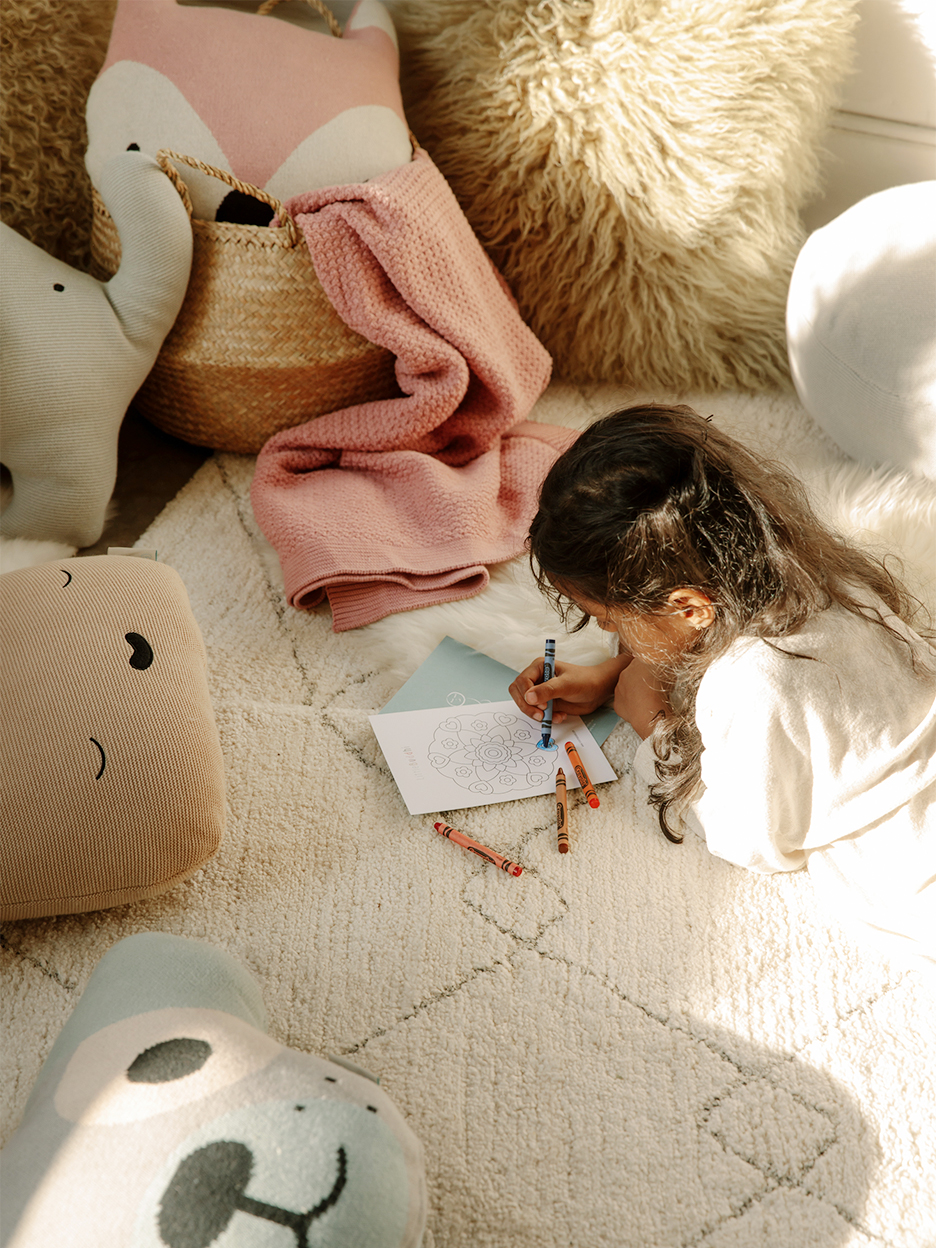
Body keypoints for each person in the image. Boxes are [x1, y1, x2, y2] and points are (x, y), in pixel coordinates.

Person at [509, 404, 936, 969]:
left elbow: (755, 843)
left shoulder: (755, 683)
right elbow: (694, 646)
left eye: (606, 617)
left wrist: (652, 726)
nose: (607, 631)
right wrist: (613, 676)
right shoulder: (828, 581)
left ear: (687, 607)